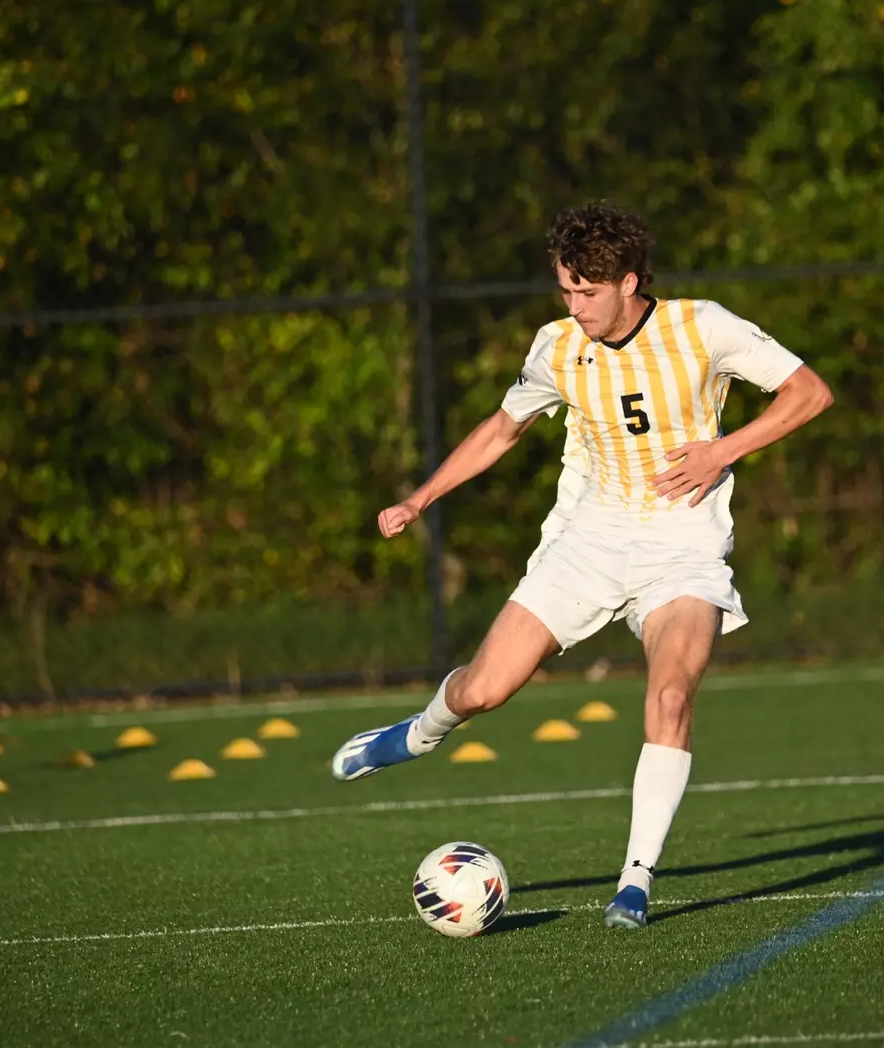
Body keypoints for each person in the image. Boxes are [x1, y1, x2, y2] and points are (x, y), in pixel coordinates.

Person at [330, 201, 835, 927]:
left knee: (669, 698)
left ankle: (634, 880)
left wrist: (721, 451)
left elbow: (810, 393)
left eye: (586, 293)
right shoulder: (556, 347)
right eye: (564, 290)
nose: (574, 306)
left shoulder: (703, 327)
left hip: (682, 549)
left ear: (629, 281)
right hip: (589, 542)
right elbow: (503, 429)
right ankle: (418, 734)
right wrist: (420, 498)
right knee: (482, 690)